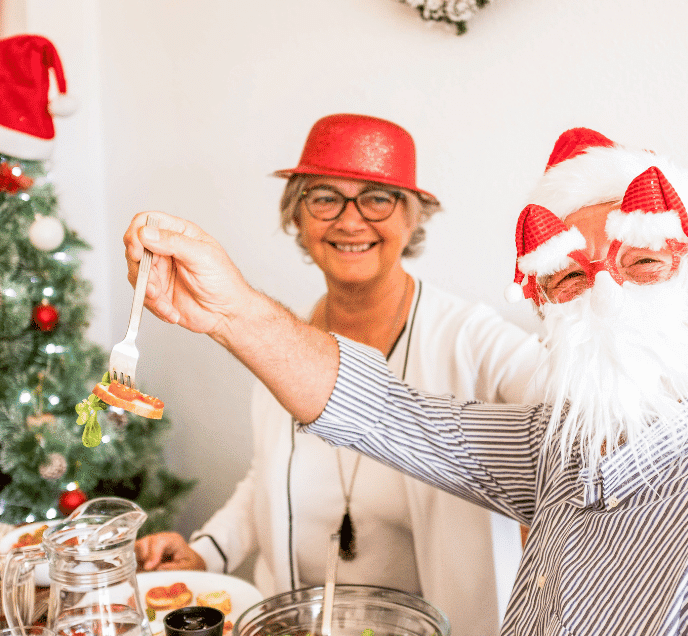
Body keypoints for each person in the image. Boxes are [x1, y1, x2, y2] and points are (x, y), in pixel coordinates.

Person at [124, 127, 688, 635]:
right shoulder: (558, 448)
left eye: (645, 263)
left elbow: (545, 380)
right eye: (569, 278)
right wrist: (233, 312)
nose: (604, 297)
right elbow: (384, 419)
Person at [134, 113, 544, 636]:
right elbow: (266, 477)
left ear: (412, 218)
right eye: (325, 198)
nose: (350, 222)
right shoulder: (284, 337)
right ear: (298, 219)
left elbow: (571, 404)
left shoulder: (473, 338)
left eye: (377, 198)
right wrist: (205, 551)